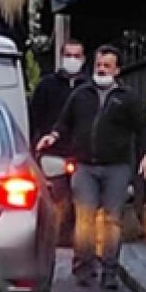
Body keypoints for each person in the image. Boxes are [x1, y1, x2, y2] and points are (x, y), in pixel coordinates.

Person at [37, 45, 146, 289]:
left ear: (117, 70)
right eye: (99, 65)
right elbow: (64, 121)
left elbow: (142, 129)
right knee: (85, 218)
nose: (101, 69)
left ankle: (109, 271)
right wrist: (54, 135)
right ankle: (83, 268)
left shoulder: (128, 98)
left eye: (107, 66)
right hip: (85, 166)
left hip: (117, 167)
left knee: (113, 220)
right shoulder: (81, 94)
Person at [28, 39, 91, 244]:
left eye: (77, 55)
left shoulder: (89, 88)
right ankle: (54, 240)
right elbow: (34, 117)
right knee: (57, 200)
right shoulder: (47, 85)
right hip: (52, 152)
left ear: (83, 59)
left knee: (82, 201)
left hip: (82, 153)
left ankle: (78, 242)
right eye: (69, 55)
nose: (72, 59)